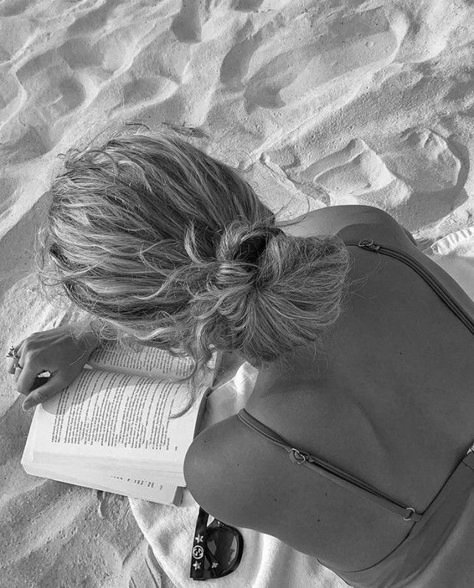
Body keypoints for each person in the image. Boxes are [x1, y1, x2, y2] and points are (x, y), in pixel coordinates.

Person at [6, 132, 474, 587]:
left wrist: (99, 328)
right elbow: (267, 254)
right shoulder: (362, 229)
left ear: (154, 333)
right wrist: (95, 327)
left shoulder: (230, 465)